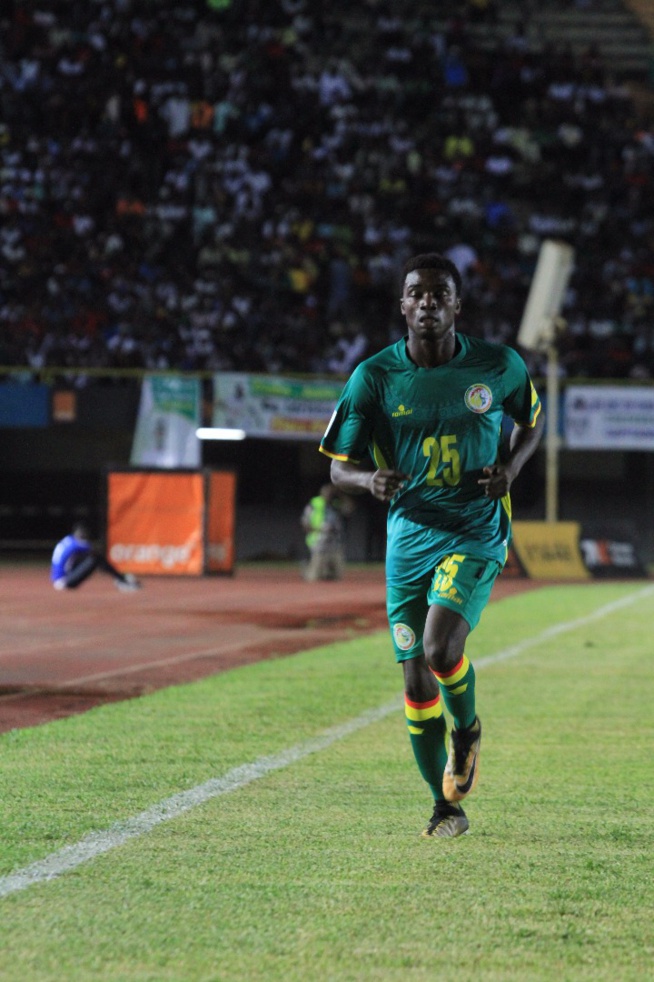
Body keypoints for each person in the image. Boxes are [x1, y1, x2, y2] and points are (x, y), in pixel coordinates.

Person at [319, 253, 544, 838]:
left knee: (442, 649)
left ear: (456, 305)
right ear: (402, 305)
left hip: (474, 527)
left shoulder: (498, 366)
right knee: (416, 683)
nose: (427, 303)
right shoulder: (374, 377)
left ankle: (466, 729)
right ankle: (444, 806)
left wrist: (511, 467)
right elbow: (340, 468)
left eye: (439, 294)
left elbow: (531, 420)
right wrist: (368, 479)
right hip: (408, 540)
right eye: (416, 293)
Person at [51, 522, 141, 592]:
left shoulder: (67, 540)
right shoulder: (77, 543)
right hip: (65, 581)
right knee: (96, 558)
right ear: (79, 533)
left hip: (58, 579)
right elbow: (94, 550)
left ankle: (121, 578)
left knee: (90, 558)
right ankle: (121, 579)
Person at [300, 484, 348, 581]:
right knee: (313, 577)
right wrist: (318, 530)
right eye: (327, 492)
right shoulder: (314, 504)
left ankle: (326, 572)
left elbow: (349, 508)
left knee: (337, 576)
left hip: (335, 542)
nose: (329, 495)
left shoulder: (336, 503)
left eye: (331, 493)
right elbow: (304, 522)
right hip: (319, 541)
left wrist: (340, 494)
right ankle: (308, 569)